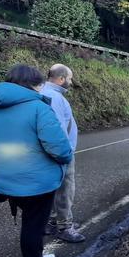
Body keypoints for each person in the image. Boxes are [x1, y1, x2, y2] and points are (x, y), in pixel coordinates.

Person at [0, 64, 73, 257]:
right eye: (39, 84)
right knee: (34, 222)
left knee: (29, 220)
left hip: (4, 175)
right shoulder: (38, 107)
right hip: (36, 179)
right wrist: (65, 158)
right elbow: (58, 147)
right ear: (33, 85)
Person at [40, 64, 85, 243]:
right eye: (69, 78)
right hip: (60, 151)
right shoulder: (55, 97)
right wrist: (63, 153)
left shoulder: (43, 92)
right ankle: (65, 226)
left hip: (48, 151)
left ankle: (51, 222)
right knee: (65, 189)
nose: (71, 82)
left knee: (51, 188)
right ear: (61, 79)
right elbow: (57, 129)